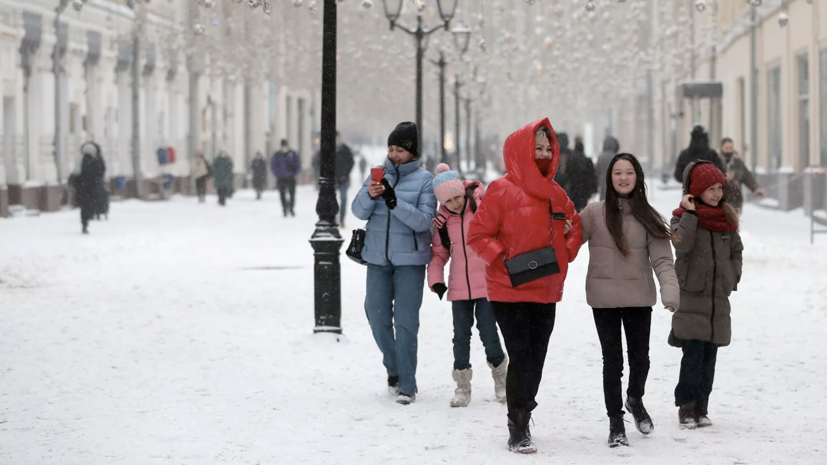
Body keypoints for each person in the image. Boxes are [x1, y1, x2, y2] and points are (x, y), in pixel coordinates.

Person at [467, 118, 582, 454]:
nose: (544, 154)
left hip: (545, 287)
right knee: (521, 354)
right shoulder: (500, 190)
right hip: (508, 288)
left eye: (548, 149)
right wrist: (504, 261)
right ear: (521, 152)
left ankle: (524, 408)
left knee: (537, 357)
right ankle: (517, 425)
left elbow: (575, 229)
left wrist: (566, 251)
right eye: (538, 148)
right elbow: (478, 235)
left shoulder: (557, 194)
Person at [579, 153, 679, 448]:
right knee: (612, 362)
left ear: (638, 178)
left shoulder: (647, 216)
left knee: (640, 360)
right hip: (603, 299)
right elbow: (567, 245)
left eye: (629, 173)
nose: (623, 178)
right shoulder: (594, 213)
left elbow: (662, 260)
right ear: (609, 178)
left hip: (639, 298)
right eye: (618, 173)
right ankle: (615, 423)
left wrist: (670, 292)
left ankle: (635, 399)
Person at [351, 122, 437, 406]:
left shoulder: (425, 180)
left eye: (399, 149)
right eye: (390, 148)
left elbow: (425, 222)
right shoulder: (378, 174)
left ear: (412, 152)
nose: (393, 154)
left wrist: (393, 200)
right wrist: (370, 194)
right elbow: (357, 210)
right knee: (375, 315)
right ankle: (394, 367)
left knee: (406, 322)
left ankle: (407, 386)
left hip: (410, 261)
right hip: (377, 257)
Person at [427, 163, 508, 408]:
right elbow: (439, 254)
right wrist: (436, 280)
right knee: (460, 337)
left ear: (463, 192)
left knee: (489, 334)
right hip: (458, 288)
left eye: (457, 197)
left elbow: (499, 236)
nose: (455, 203)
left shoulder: (481, 209)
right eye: (449, 201)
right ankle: (462, 387)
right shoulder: (442, 223)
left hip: (485, 285)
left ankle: (502, 380)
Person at [670, 161, 743, 430]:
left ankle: (702, 407)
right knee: (692, 356)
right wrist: (690, 214)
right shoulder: (681, 217)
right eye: (710, 189)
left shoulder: (726, 219)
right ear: (696, 191)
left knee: (709, 360)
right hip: (691, 297)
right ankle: (686, 407)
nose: (715, 194)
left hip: (716, 301)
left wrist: (732, 276)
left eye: (719, 189)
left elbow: (737, 251)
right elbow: (682, 245)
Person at [718, 138, 766, 214]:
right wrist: (724, 176)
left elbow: (747, 177)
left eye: (731, 148)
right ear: (721, 148)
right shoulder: (716, 160)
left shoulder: (738, 162)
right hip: (719, 199)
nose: (729, 150)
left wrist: (756, 189)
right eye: (726, 148)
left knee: (733, 223)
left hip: (735, 199)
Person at [75, 142, 106, 234]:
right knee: (91, 204)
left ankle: (84, 222)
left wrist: (77, 184)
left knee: (84, 206)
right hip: (93, 188)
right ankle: (90, 216)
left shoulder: (80, 160)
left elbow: (75, 174)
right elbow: (101, 172)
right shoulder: (97, 160)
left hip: (82, 188)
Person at [565, 136, 598, 212]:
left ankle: (577, 220)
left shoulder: (570, 160)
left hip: (573, 187)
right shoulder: (587, 160)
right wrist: (594, 188)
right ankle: (582, 221)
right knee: (583, 207)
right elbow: (592, 175)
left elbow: (567, 174)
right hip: (584, 188)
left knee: (575, 207)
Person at [271, 139, 302, 217]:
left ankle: (291, 208)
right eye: (283, 146)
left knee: (292, 194)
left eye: (285, 145)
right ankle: (284, 208)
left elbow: (298, 164)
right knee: (282, 195)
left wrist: (295, 173)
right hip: (281, 178)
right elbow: (273, 165)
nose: (284, 147)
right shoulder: (277, 155)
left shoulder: (293, 154)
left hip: (291, 178)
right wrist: (277, 174)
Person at [335, 132, 355, 228]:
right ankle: (334, 217)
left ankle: (342, 219)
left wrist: (345, 173)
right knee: (332, 199)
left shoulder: (345, 149)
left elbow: (351, 162)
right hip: (333, 179)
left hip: (344, 179)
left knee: (343, 199)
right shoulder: (329, 149)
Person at [595, 136, 621, 201]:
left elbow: (597, 172)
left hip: (604, 185)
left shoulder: (601, 157)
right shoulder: (618, 158)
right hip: (616, 185)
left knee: (604, 206)